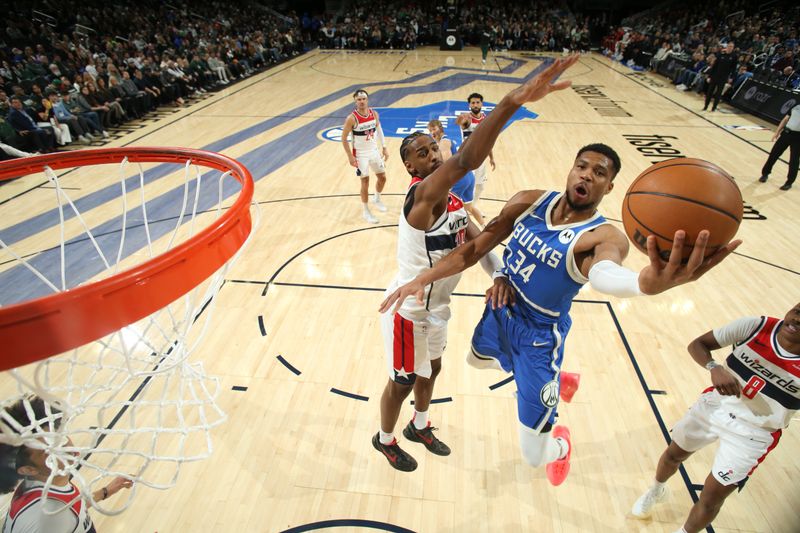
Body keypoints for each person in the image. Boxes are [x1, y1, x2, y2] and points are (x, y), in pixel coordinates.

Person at [380, 143, 742, 486]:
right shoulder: (528, 201)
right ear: (570, 170)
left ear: (609, 186)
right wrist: (501, 274)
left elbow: (604, 275)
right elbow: (476, 247)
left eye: (598, 173)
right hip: (501, 310)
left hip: (539, 337)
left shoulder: (603, 237)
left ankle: (561, 442)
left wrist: (642, 284)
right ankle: (561, 381)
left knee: (534, 454)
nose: (586, 176)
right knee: (474, 360)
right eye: (581, 167)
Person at [373, 55, 581, 473]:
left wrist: (501, 273)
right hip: (408, 311)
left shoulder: (453, 203)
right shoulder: (421, 198)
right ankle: (385, 438)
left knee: (432, 369)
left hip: (438, 309)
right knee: (401, 381)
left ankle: (420, 424)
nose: (432, 155)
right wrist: (512, 101)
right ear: (410, 166)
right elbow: (466, 160)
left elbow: (479, 244)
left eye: (433, 148)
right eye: (421, 153)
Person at [631, 303, 799, 533]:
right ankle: (656, 490)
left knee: (711, 500)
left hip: (755, 433)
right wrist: (714, 367)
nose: (797, 320)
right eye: (798, 311)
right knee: (673, 455)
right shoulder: (756, 326)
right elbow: (697, 345)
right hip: (716, 406)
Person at [0, 397, 133, 532]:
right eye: (51, 450)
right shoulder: (49, 516)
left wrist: (105, 491)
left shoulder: (43, 487)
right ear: (29, 469)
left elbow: (71, 506)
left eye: (59, 436)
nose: (66, 447)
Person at [341, 89, 389, 224]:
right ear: (355, 102)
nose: (361, 101)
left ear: (367, 100)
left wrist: (384, 147)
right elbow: (344, 138)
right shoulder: (351, 118)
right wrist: (350, 156)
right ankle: (366, 211)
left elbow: (379, 130)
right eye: (359, 99)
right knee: (365, 182)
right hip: (360, 154)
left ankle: (377, 198)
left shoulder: (374, 114)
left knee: (383, 178)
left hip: (374, 151)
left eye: (363, 99)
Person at [426, 119, 484, 225]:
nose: (432, 132)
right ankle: (483, 226)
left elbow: (446, 164)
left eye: (434, 129)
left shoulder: (444, 142)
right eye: (430, 130)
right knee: (469, 207)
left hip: (459, 179)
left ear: (440, 128)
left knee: (449, 209)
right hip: (468, 176)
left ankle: (455, 234)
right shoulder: (443, 141)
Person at [456, 93, 495, 220]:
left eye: (477, 102)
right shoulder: (467, 118)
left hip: (481, 157)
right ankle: (462, 209)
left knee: (480, 186)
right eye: (473, 103)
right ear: (469, 105)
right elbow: (460, 122)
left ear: (481, 104)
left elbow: (488, 140)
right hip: (468, 157)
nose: (475, 105)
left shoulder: (486, 119)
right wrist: (461, 119)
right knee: (468, 185)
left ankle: (472, 208)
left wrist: (491, 157)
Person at [758, 102, 799, 191]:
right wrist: (777, 132)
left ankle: (789, 182)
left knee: (794, 161)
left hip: (798, 138)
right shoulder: (796, 105)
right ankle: (765, 174)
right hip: (786, 134)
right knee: (774, 154)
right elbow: (785, 119)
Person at [703, 42, 737, 112]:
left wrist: (731, 77)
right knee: (709, 92)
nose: (730, 48)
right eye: (729, 46)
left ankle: (714, 108)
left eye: (732, 47)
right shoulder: (721, 54)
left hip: (723, 78)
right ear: (727, 47)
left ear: (733, 48)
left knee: (718, 94)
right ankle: (705, 106)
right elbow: (714, 66)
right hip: (715, 76)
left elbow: (734, 68)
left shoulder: (734, 56)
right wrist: (710, 76)